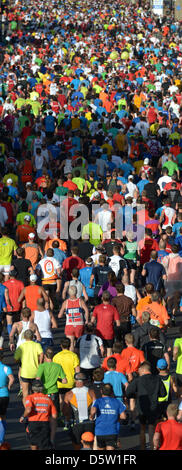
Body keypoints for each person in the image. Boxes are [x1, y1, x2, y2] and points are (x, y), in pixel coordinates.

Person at [126, 361, 166, 450]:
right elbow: (163, 394)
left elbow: (128, 392)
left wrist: (135, 396)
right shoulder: (157, 379)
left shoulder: (138, 380)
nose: (139, 372)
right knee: (152, 428)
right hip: (153, 406)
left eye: (139, 370)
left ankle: (143, 448)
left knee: (142, 428)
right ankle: (152, 448)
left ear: (143, 370)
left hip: (141, 407)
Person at [36, 347, 67, 444]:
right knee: (53, 416)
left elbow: (37, 379)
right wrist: (57, 379)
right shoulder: (58, 366)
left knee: (42, 414)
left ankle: (43, 435)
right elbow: (65, 381)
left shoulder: (42, 366)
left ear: (45, 356)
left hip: (44, 393)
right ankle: (52, 438)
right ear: (53, 357)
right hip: (54, 393)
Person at [20, 379, 57, 450]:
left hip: (33, 423)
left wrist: (23, 416)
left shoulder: (30, 397)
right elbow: (54, 416)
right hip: (45, 423)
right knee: (44, 445)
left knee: (33, 443)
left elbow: (28, 410)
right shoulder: (48, 399)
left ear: (32, 388)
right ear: (42, 388)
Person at [62, 372, 96, 450]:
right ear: (85, 381)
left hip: (77, 424)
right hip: (89, 423)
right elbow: (95, 407)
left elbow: (65, 411)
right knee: (89, 445)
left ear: (75, 381)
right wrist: (92, 416)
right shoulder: (91, 392)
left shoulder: (69, 394)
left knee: (76, 446)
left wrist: (67, 420)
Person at [89, 383, 126, 451]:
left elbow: (93, 410)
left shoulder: (97, 401)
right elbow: (123, 416)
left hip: (100, 431)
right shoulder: (117, 401)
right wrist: (117, 418)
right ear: (112, 392)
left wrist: (91, 416)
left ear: (101, 391)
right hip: (112, 431)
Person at [14, 329, 44, 406]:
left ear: (24, 337)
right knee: (36, 393)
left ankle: (27, 410)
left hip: (25, 373)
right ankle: (36, 408)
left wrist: (20, 361)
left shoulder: (21, 346)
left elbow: (15, 359)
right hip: (35, 372)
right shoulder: (37, 345)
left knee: (25, 394)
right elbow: (41, 354)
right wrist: (40, 364)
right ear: (33, 337)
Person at [53, 337, 80, 419]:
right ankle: (70, 416)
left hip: (60, 383)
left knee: (61, 399)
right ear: (70, 345)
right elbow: (77, 371)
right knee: (71, 400)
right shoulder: (74, 356)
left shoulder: (56, 356)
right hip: (71, 382)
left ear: (61, 345)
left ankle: (62, 415)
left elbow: (54, 371)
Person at [58, 285, 89, 352]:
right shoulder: (80, 301)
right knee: (78, 344)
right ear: (76, 292)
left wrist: (65, 314)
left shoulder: (66, 302)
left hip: (70, 325)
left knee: (71, 344)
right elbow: (86, 310)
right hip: (79, 325)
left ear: (69, 293)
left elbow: (59, 316)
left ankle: (72, 359)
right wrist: (86, 320)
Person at [91, 290, 120, 357]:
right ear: (110, 298)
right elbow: (118, 323)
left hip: (99, 333)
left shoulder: (97, 308)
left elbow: (92, 321)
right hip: (109, 333)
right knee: (109, 352)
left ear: (102, 298)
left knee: (99, 350)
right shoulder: (113, 309)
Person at [3, 269, 24, 335]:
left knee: (9, 323)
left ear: (9, 275)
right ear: (16, 275)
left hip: (8, 306)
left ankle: (10, 337)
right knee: (17, 322)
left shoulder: (5, 284)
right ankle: (17, 336)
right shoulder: (20, 283)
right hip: (18, 305)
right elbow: (23, 294)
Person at [0, 350, 14, 446]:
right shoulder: (6, 368)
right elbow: (12, 378)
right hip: (4, 394)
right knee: (3, 416)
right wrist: (9, 386)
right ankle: (1, 439)